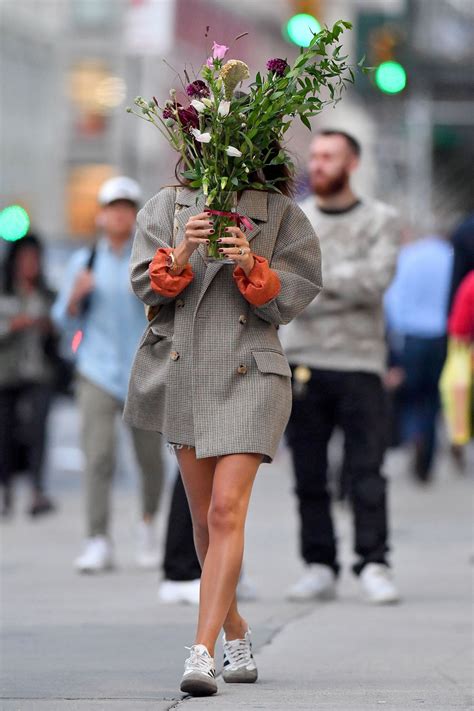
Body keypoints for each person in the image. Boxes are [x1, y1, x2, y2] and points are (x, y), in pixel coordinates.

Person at [123, 173, 322, 695]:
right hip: (185, 370)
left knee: (225, 510)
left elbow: (297, 293)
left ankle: (202, 652)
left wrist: (250, 263)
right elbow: (144, 286)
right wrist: (183, 249)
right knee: (203, 518)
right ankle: (236, 630)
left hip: (252, 372)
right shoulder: (166, 207)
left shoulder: (278, 212)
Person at [282, 130, 401, 605]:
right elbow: (286, 286)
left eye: (329, 156)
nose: (318, 163)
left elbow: (376, 281)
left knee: (366, 468)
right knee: (308, 473)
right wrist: (330, 284)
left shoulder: (381, 219)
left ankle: (374, 561)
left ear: (352, 162)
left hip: (361, 362)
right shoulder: (296, 221)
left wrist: (314, 283)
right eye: (314, 156)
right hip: (304, 360)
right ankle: (318, 564)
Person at [52, 176, 164, 573]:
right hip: (96, 371)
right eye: (112, 208)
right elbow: (61, 323)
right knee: (98, 456)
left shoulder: (149, 260)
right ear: (101, 216)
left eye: (126, 207)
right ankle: (97, 538)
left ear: (135, 215)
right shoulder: (84, 263)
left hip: (143, 372)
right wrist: (74, 298)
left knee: (150, 460)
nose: (118, 215)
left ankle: (149, 525)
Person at [384, 234, 453, 481]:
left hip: (411, 336)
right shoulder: (449, 256)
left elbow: (393, 299)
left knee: (410, 395)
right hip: (441, 335)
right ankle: (427, 456)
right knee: (432, 398)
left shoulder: (408, 257)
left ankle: (413, 436)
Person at [0, 234, 57, 517]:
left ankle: (37, 490)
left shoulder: (47, 294)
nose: (29, 264)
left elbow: (64, 328)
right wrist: (12, 326)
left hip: (39, 373)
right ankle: (5, 490)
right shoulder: (5, 293)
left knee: (38, 432)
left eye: (34, 259)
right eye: (24, 259)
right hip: (6, 375)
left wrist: (51, 328)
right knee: (5, 433)